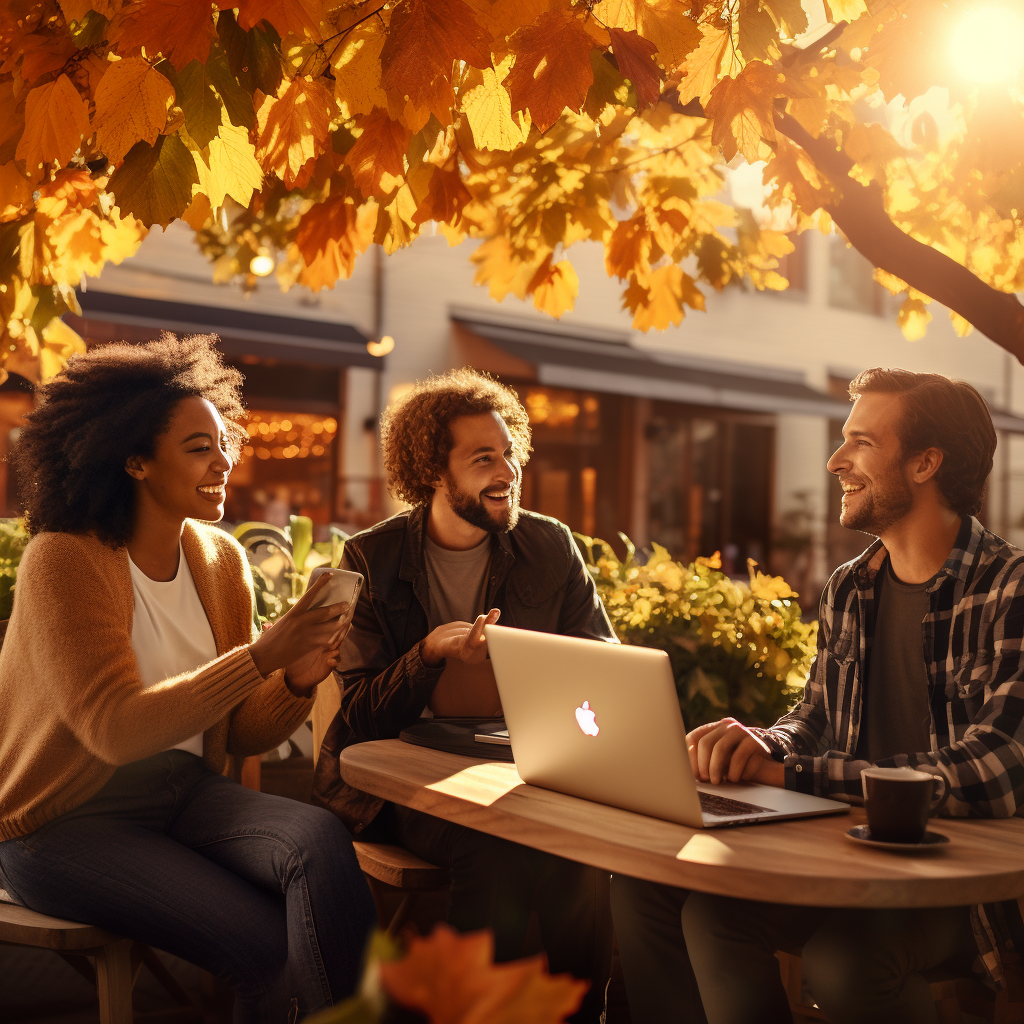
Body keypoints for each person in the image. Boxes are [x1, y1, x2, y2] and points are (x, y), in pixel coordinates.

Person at [610, 367, 1024, 1024]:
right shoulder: (850, 587)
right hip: (843, 852)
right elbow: (816, 720)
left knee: (842, 963)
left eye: (861, 442)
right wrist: (760, 744)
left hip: (958, 887)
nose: (836, 462)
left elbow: (997, 770)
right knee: (656, 892)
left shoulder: (1009, 589)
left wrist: (793, 770)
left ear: (926, 463)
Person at [0, 334, 375, 1024]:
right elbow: (115, 731)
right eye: (198, 447)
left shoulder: (219, 560)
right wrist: (263, 656)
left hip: (183, 796)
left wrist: (292, 678)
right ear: (135, 460)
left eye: (222, 441)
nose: (224, 461)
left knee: (318, 841)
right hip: (61, 826)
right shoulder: (64, 561)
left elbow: (242, 732)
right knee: (268, 952)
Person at [314, 368, 616, 1022]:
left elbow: (605, 669)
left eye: (509, 452)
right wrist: (427, 656)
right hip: (398, 783)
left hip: (521, 771)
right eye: (484, 458)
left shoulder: (549, 546)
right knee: (495, 850)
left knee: (583, 857)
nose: (506, 469)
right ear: (431, 470)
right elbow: (359, 717)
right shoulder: (371, 559)